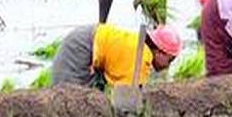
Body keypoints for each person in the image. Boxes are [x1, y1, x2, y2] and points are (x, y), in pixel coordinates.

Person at [51, 23, 182, 89]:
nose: (167, 66)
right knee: (70, 96)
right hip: (81, 47)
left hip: (86, 39)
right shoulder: (142, 58)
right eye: (169, 60)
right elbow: (124, 99)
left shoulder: (140, 48)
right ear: (159, 51)